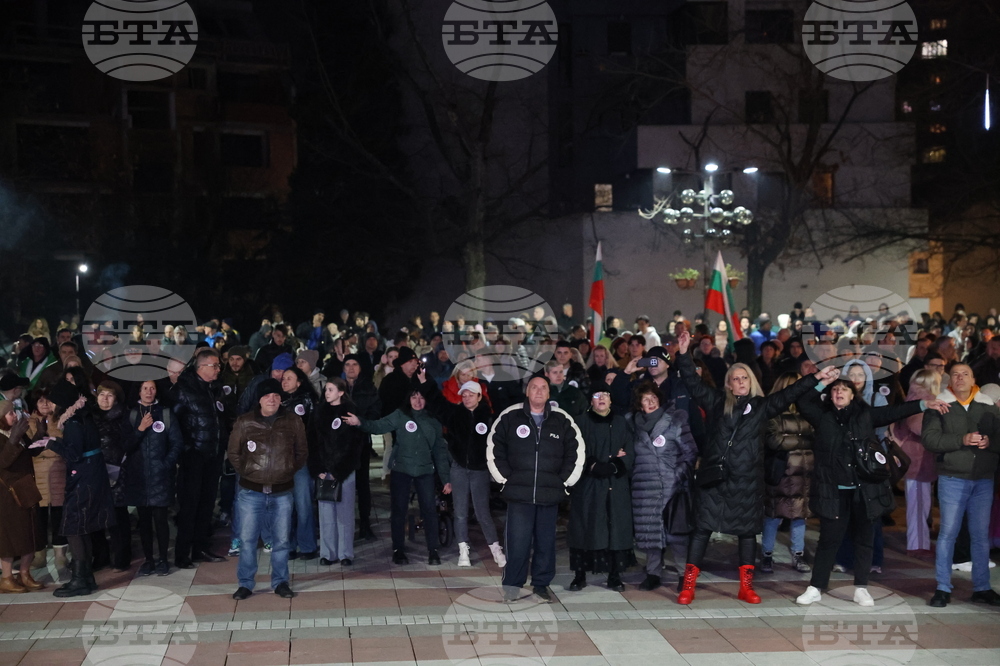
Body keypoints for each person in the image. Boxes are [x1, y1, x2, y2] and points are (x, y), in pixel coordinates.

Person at [673, 329, 836, 606]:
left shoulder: (762, 406)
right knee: (702, 529)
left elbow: (789, 394)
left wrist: (816, 379)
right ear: (729, 384)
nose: (740, 382)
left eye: (744, 377)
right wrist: (685, 352)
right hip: (716, 480)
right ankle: (688, 587)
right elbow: (691, 381)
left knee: (747, 533)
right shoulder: (715, 402)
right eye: (735, 379)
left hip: (747, 482)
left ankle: (745, 587)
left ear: (751, 381)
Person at [794, 376, 948, 608]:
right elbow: (803, 402)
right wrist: (819, 381)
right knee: (828, 540)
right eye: (835, 389)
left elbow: (893, 412)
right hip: (833, 491)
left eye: (844, 390)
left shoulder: (864, 416)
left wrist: (923, 405)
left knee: (864, 539)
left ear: (853, 395)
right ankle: (816, 587)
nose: (839, 393)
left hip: (864, 490)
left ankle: (861, 588)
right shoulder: (822, 417)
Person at [486, 376, 585, 604]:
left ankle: (541, 585)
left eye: (543, 388)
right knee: (517, 543)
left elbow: (576, 451)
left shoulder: (562, 420)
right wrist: (505, 479)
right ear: (527, 392)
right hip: (519, 495)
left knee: (545, 543)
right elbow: (494, 447)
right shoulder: (510, 416)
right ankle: (512, 587)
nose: (538, 391)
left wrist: (564, 482)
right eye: (534, 387)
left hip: (549, 495)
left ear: (549, 394)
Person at [921, 363, 1000, 607]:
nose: (960, 377)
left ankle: (982, 587)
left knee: (979, 536)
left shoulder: (988, 405)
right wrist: (962, 439)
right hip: (953, 477)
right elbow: (930, 439)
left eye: (965, 373)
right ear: (949, 380)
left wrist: (990, 442)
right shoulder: (940, 406)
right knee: (948, 534)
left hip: (983, 478)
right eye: (955, 374)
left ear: (974, 378)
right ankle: (943, 587)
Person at [345, 389, 452, 565]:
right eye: (413, 396)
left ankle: (433, 550)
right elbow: (379, 426)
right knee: (399, 511)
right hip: (402, 469)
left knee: (430, 511)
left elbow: (440, 451)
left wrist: (445, 478)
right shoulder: (400, 415)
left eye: (421, 397)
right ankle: (398, 549)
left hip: (425, 471)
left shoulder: (433, 421)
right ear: (408, 399)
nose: (417, 401)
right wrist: (360, 422)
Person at [229, 379, 308, 600]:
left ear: (280, 397)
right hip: (250, 492)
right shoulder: (245, 422)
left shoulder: (293, 420)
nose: (271, 399)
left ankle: (281, 582)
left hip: (282, 491)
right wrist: (247, 471)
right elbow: (234, 453)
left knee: (282, 540)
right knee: (247, 540)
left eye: (275, 395)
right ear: (259, 399)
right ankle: (245, 583)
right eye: (266, 396)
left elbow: (301, 451)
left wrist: (288, 469)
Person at [417, 374, 506, 568]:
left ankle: (496, 549)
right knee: (460, 513)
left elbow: (498, 444)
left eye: (470, 394)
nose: (466, 398)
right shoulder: (455, 414)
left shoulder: (489, 417)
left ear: (479, 396)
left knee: (483, 513)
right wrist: (425, 381)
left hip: (479, 470)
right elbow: (437, 402)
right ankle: (463, 550)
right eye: (463, 395)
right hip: (458, 469)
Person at [45, 380, 116, 597]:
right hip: (92, 475)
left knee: (74, 527)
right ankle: (85, 578)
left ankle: (79, 580)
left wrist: (50, 443)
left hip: (83, 479)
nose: (50, 406)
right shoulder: (83, 416)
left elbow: (74, 454)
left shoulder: (74, 422)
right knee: (82, 527)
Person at [629, 381, 696, 591]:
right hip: (643, 487)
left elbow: (691, 453)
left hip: (671, 487)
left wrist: (677, 476)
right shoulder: (632, 425)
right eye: (645, 400)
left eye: (653, 398)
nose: (650, 403)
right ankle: (653, 572)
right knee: (649, 533)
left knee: (675, 535)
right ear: (640, 405)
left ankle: (684, 575)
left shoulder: (675, 421)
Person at [567, 389, 635, 592]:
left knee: (616, 528)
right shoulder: (580, 422)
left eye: (606, 394)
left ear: (611, 399)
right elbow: (575, 449)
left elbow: (629, 449)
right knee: (584, 526)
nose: (602, 398)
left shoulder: (622, 422)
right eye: (597, 395)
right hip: (589, 485)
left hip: (616, 484)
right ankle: (580, 575)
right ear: (591, 400)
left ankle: (614, 575)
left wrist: (616, 464)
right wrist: (594, 465)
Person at [171, 348, 230, 568]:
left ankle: (200, 547)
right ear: (201, 367)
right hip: (193, 456)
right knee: (189, 505)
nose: (218, 369)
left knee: (206, 503)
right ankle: (182, 553)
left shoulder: (214, 388)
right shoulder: (184, 389)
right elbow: (173, 422)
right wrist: (186, 448)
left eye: (218, 366)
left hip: (213, 454)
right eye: (214, 365)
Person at [125, 381, 183, 577]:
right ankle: (148, 560)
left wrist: (166, 464)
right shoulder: (132, 414)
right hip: (139, 477)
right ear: (139, 391)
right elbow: (126, 445)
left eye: (152, 388)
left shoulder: (166, 413)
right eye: (145, 388)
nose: (149, 392)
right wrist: (140, 429)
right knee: (144, 521)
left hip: (161, 476)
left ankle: (163, 560)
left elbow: (177, 443)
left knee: (160, 520)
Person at [760, 373, 815, 574]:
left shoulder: (808, 411)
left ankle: (798, 553)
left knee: (800, 515)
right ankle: (767, 553)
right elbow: (775, 441)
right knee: (774, 514)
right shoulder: (773, 412)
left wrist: (793, 439)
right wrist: (805, 440)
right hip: (781, 471)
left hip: (804, 472)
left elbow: (817, 436)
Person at [311, 378, 364, 566]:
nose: (327, 393)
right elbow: (314, 442)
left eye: (331, 389)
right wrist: (318, 468)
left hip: (345, 470)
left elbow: (356, 444)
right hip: (324, 470)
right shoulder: (319, 412)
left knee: (345, 514)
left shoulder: (351, 411)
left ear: (341, 392)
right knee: (326, 513)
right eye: (326, 390)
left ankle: (345, 554)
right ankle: (327, 553)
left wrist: (341, 470)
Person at [890, 369, 940, 558]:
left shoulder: (911, 399)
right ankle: (917, 544)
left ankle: (919, 541)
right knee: (920, 504)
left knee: (918, 505)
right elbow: (919, 427)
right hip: (919, 461)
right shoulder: (924, 401)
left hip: (915, 461)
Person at [91, 381, 137, 572]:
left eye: (109, 395)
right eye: (102, 394)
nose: (105, 399)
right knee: (96, 515)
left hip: (118, 471)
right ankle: (100, 556)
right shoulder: (90, 415)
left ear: (116, 398)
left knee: (118, 516)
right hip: (94, 471)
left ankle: (121, 557)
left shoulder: (124, 416)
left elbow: (129, 442)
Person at [0, 401, 44, 593]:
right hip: (7, 494)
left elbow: (31, 451)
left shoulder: (16, 432)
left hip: (26, 488)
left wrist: (40, 435)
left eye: (14, 412)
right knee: (9, 538)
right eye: (9, 413)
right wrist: (12, 441)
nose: (14, 416)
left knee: (30, 533)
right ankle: (7, 577)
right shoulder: (4, 436)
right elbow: (3, 462)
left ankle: (24, 573)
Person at [26, 389, 69, 572]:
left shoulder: (61, 421)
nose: (44, 404)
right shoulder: (28, 423)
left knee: (60, 516)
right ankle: (39, 555)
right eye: (40, 401)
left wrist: (46, 448)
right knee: (38, 518)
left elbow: (64, 446)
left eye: (48, 400)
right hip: (37, 476)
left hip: (59, 473)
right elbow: (29, 449)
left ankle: (61, 556)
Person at [280, 366, 319, 560]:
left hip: (301, 459)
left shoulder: (308, 400)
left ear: (299, 382)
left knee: (303, 503)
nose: (285, 381)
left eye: (289, 378)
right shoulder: (276, 400)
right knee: (285, 505)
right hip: (281, 461)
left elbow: (314, 430)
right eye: (283, 378)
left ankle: (307, 545)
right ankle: (288, 545)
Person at [342, 354, 380, 541]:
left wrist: (360, 421)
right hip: (340, 444)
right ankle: (344, 525)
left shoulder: (368, 388)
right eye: (347, 364)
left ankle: (365, 524)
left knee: (363, 485)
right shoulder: (336, 387)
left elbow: (374, 412)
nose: (350, 368)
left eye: (354, 364)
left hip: (361, 442)